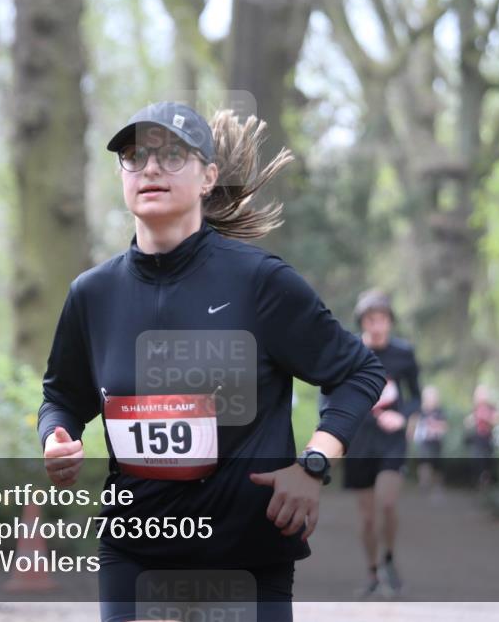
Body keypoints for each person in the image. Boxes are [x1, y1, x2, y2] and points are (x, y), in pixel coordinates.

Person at [37, 101, 386, 622]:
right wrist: (55, 437)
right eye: (135, 156)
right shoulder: (93, 295)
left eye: (172, 155)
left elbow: (359, 371)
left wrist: (313, 464)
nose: (150, 168)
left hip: (246, 556)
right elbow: (62, 397)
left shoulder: (259, 282)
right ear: (122, 176)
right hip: (135, 553)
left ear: (208, 177)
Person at [342, 289, 422, 598]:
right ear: (362, 321)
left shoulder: (403, 353)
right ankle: (372, 572)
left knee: (387, 503)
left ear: (390, 321)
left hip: (391, 441)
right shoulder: (349, 351)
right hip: (359, 441)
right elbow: (332, 391)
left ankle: (388, 558)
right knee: (366, 517)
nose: (377, 325)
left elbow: (415, 396)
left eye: (382, 319)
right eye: (370, 319)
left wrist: (402, 416)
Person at [412, 385, 447, 496]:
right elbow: (414, 424)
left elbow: (444, 426)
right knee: (423, 463)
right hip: (424, 442)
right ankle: (423, 484)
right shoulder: (420, 411)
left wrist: (435, 426)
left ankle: (437, 486)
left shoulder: (439, 411)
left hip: (436, 442)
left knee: (436, 465)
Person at [464, 384, 499, 487]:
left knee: (488, 462)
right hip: (477, 440)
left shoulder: (492, 408)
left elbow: (497, 420)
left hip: (489, 439)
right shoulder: (474, 408)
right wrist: (473, 419)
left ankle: (487, 481)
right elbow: (467, 423)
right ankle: (479, 482)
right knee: (477, 461)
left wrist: (487, 418)